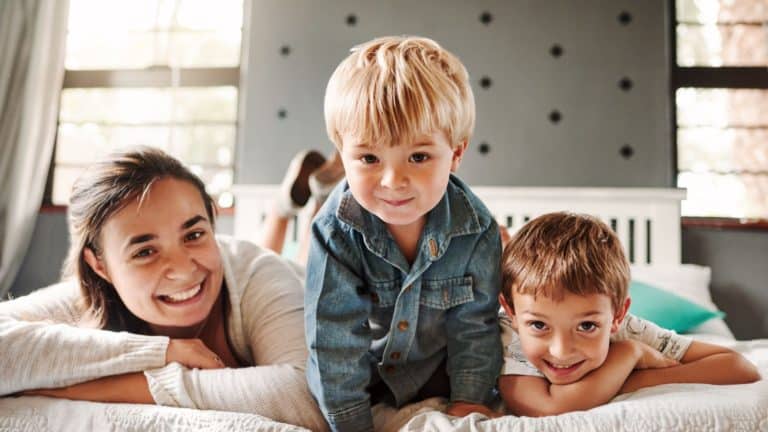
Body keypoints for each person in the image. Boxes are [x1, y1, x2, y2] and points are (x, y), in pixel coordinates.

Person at [0, 147, 328, 431]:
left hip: (288, 281)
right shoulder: (89, 295)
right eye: (145, 252)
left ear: (213, 225)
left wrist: (115, 385)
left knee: (304, 258)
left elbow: (308, 398)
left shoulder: (255, 269)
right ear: (100, 266)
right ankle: (291, 207)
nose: (183, 269)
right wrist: (163, 351)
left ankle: (301, 207)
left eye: (194, 234)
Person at [304, 35, 503, 432]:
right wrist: (351, 424)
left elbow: (475, 330)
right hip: (364, 381)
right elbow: (333, 341)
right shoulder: (335, 231)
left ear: (456, 154)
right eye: (369, 158)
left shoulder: (477, 229)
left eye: (418, 157)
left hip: (439, 378)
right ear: (342, 153)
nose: (394, 181)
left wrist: (467, 405)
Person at [497, 212, 761, 417]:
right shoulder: (509, 333)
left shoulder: (629, 329)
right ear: (511, 312)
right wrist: (627, 355)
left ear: (618, 315)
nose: (562, 351)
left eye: (587, 326)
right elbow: (548, 407)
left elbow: (740, 368)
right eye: (539, 325)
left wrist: (635, 379)